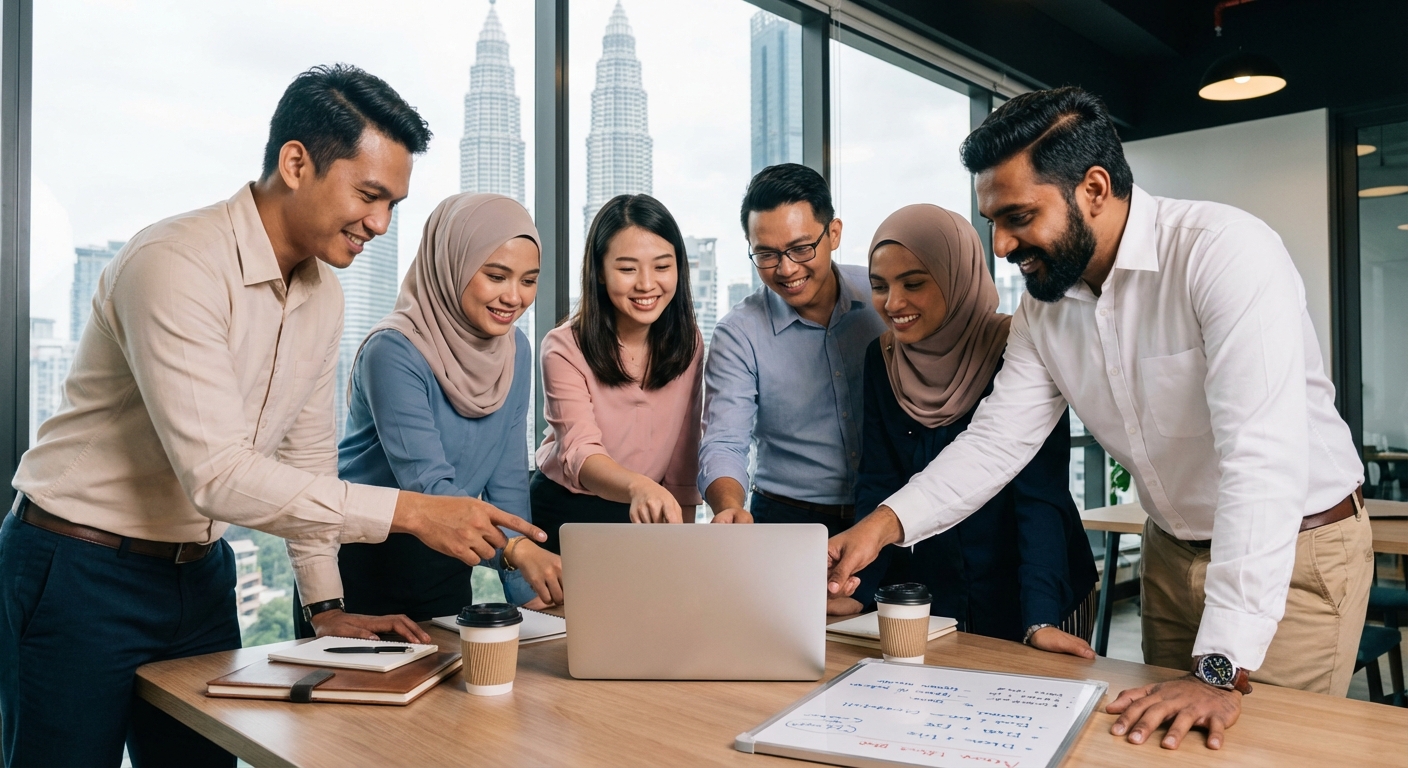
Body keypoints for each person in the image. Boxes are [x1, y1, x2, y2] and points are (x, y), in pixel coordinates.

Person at [0, 65, 545, 767]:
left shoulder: (324, 295)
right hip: (77, 567)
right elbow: (219, 476)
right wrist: (412, 511)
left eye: (393, 204)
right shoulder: (175, 263)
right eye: (369, 195)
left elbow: (307, 463)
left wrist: (325, 608)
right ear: (295, 163)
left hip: (201, 575)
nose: (381, 224)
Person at [826, 87, 1371, 751]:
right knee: (1159, 748)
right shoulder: (1045, 310)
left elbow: (1261, 462)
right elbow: (996, 442)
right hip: (1172, 553)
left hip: (1295, 552)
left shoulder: (1224, 253)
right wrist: (881, 526)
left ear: (1093, 189)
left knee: (1265, 753)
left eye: (1018, 216)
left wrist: (1220, 669)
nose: (1001, 244)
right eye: (992, 220)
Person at [831, 203, 1097, 656]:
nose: (893, 304)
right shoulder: (883, 358)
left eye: (914, 283)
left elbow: (1040, 498)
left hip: (1034, 586)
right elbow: (878, 480)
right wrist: (858, 587)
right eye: (879, 286)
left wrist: (1041, 617)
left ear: (956, 276)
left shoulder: (1017, 350)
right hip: (935, 594)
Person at [318, 193, 564, 628]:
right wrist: (516, 550)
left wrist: (529, 591)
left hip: (451, 558)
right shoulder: (393, 350)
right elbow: (426, 482)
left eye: (528, 280)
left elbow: (507, 479)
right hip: (363, 565)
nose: (514, 296)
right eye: (496, 276)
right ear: (453, 266)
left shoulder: (516, 349)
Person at [699, 163, 886, 533]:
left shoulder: (881, 296)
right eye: (766, 254)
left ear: (834, 233)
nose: (785, 269)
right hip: (786, 516)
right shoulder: (738, 333)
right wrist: (730, 506)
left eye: (801, 249)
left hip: (886, 510)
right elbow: (724, 441)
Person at [530, 194, 704, 553]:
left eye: (662, 266)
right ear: (599, 272)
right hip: (566, 510)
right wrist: (639, 487)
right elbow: (579, 451)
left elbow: (684, 455)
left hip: (647, 510)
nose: (646, 284)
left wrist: (683, 542)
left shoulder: (689, 342)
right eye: (627, 269)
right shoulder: (563, 347)